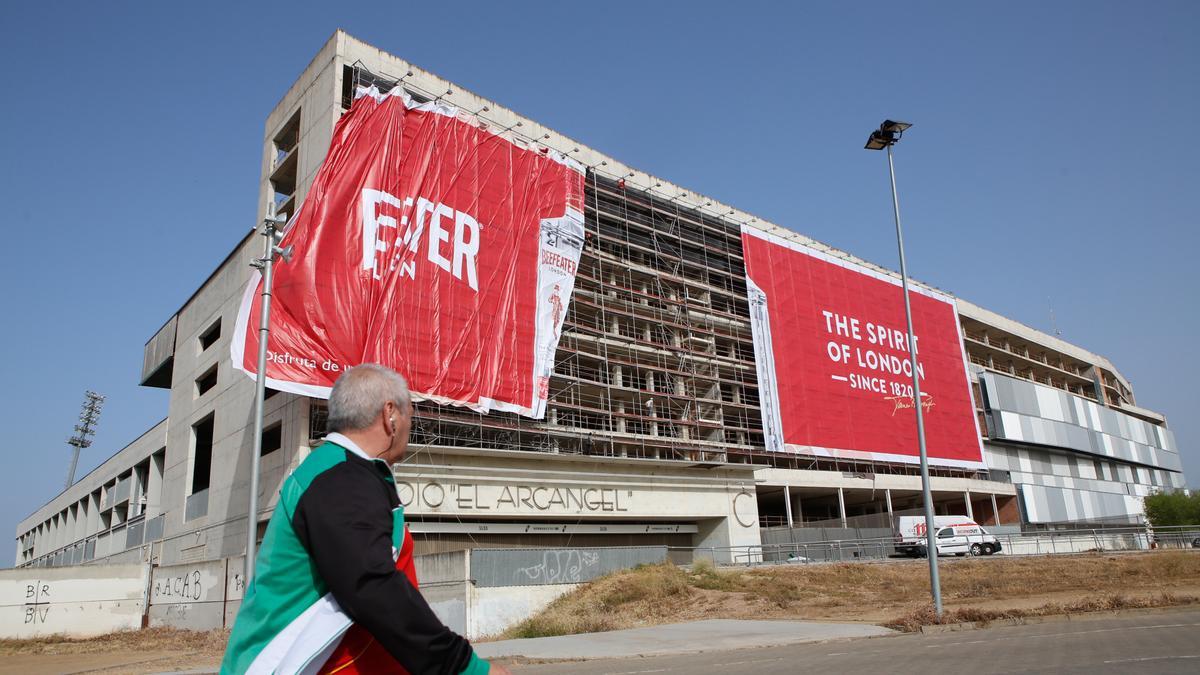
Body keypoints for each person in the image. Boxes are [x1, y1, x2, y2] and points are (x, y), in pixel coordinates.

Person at [221, 364, 507, 675]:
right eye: (410, 414)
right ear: (390, 415)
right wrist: (463, 668)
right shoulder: (341, 479)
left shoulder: (342, 475)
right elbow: (373, 586)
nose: (410, 429)